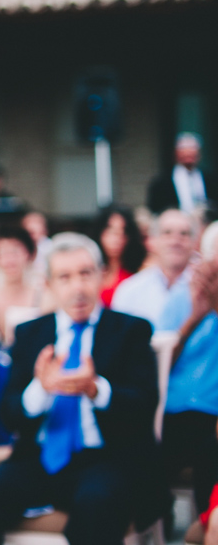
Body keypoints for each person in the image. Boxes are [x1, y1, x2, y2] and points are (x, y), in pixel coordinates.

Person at [0, 233, 160, 545]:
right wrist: (40, 389)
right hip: (39, 458)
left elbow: (145, 405)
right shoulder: (31, 333)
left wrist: (95, 389)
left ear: (102, 276)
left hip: (108, 458)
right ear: (49, 284)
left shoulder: (130, 330)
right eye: (64, 277)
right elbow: (6, 413)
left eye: (85, 274)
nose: (77, 287)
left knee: (98, 503)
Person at [156, 222, 218, 520]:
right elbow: (161, 361)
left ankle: (207, 526)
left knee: (210, 455)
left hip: (214, 415)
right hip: (175, 409)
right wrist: (195, 317)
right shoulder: (180, 298)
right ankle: (158, 521)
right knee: (147, 457)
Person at [111, 209, 196, 328]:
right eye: (167, 233)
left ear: (194, 242)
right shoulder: (130, 291)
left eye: (184, 234)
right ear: (153, 241)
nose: (175, 241)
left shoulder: (206, 290)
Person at [91, 206, 146, 308]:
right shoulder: (89, 269)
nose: (116, 238)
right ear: (100, 232)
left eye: (123, 232)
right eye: (111, 231)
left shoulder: (137, 273)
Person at [148, 133, 214, 216]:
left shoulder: (210, 179)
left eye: (192, 152)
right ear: (176, 153)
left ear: (199, 154)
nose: (188, 155)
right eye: (185, 152)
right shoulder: (161, 182)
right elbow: (155, 210)